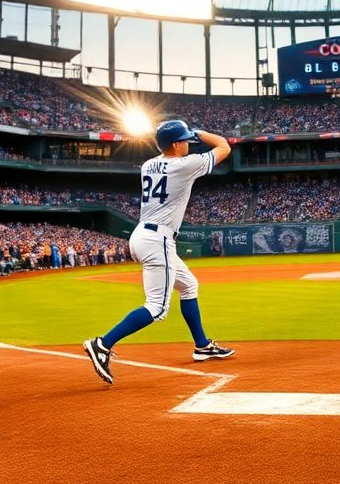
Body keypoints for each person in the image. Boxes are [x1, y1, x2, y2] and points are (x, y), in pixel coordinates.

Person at [83, 121, 234, 384]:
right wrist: (200, 132)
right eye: (185, 140)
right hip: (158, 239)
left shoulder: (148, 164)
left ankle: (202, 345)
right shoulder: (184, 165)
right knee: (156, 307)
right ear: (176, 145)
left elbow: (170, 156)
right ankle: (102, 344)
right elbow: (224, 147)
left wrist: (185, 136)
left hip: (143, 234)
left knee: (189, 286)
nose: (189, 143)